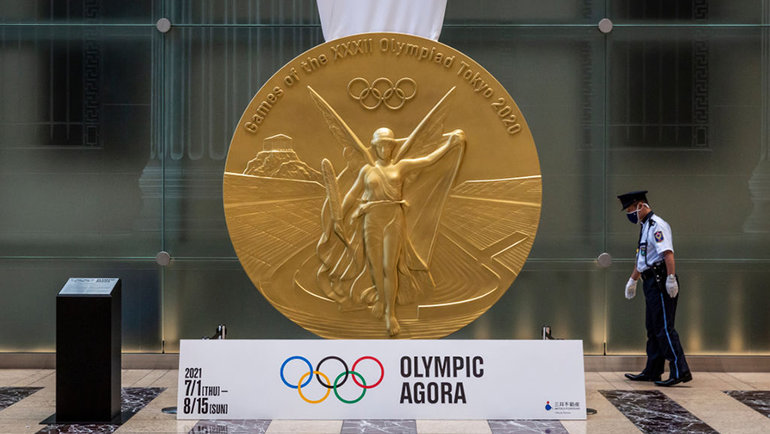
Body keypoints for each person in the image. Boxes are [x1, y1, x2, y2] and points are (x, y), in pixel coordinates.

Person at [618, 190, 692, 386]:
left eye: (631, 209)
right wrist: (633, 280)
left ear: (641, 205)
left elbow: (667, 254)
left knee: (664, 328)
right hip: (650, 280)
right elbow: (643, 259)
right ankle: (653, 370)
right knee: (652, 328)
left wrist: (670, 278)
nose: (629, 213)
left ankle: (680, 370)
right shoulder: (645, 226)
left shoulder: (657, 225)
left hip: (661, 280)